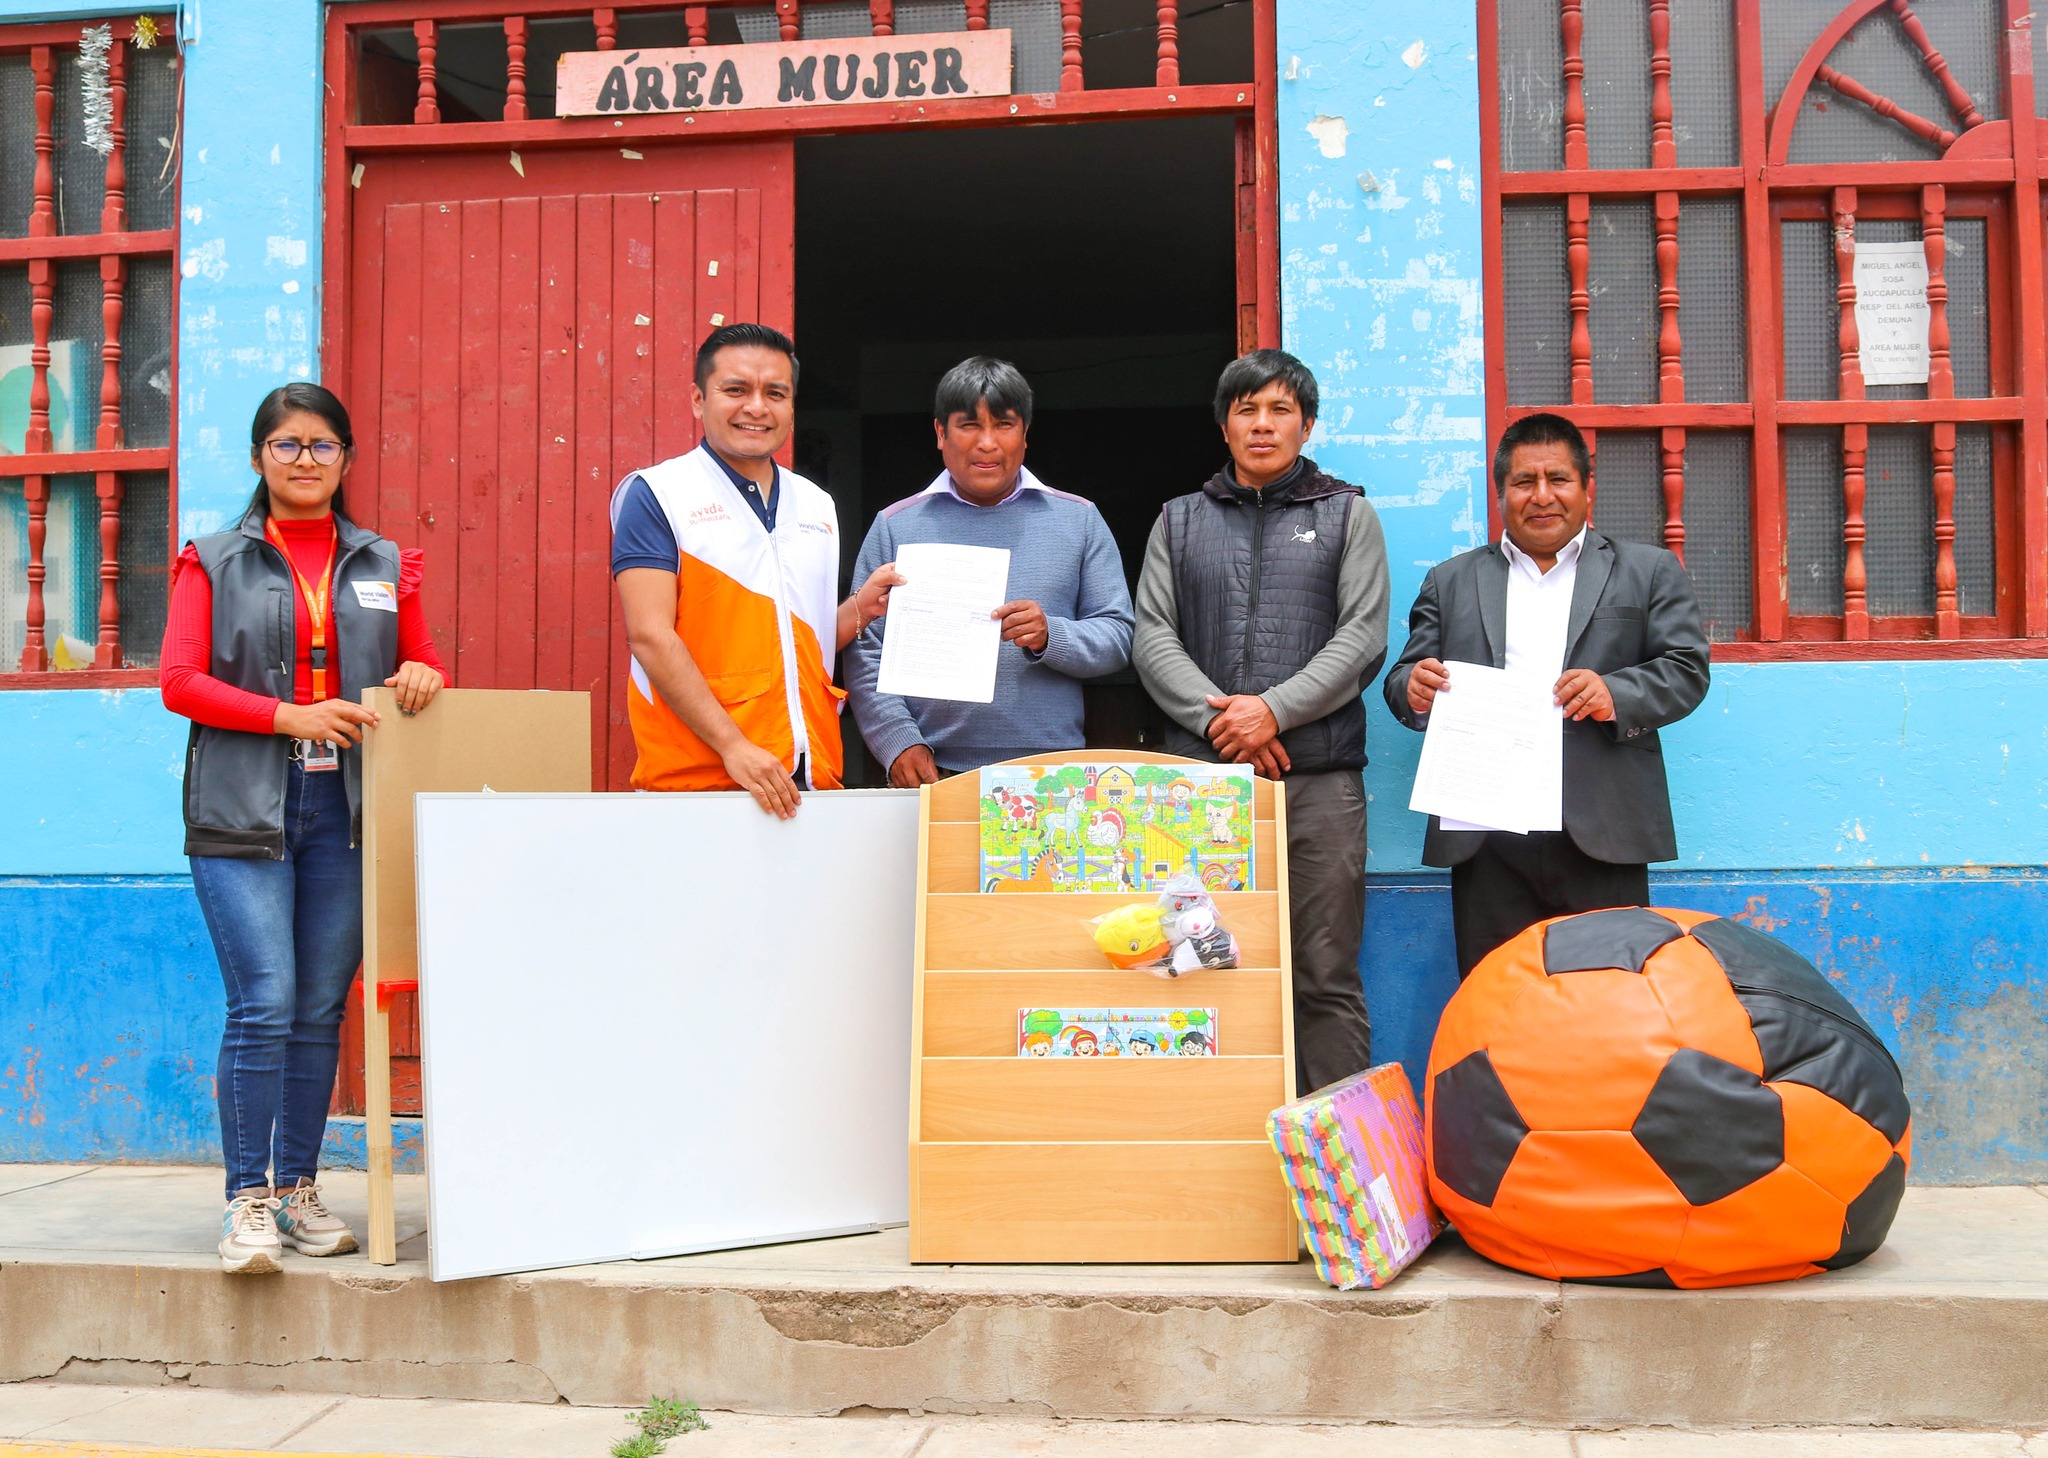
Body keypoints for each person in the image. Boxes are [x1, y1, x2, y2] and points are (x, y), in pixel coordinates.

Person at [160, 382, 448, 1275]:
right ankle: (245, 1201)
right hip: (244, 811)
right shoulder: (210, 559)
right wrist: (290, 716)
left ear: (348, 461)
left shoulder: (381, 561)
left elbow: (422, 657)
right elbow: (179, 682)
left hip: (344, 815)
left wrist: (422, 678)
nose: (305, 461)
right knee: (265, 1004)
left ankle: (295, 1190)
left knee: (319, 1011)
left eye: (323, 446)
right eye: (286, 446)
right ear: (258, 459)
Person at [1133, 349, 1389, 1095]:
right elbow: (1152, 637)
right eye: (1247, 410)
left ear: (1306, 425)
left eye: (1280, 410)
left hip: (1320, 785)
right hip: (1202, 788)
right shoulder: (1179, 521)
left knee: (1325, 974)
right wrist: (1228, 725)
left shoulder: (1348, 514)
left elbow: (1363, 635)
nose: (1263, 424)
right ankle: (1215, 1154)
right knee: (1193, 962)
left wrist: (1273, 711)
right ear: (1224, 426)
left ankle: (1339, 1170)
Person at [1383, 412, 1711, 977]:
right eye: (1523, 482)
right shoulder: (1451, 580)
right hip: (1486, 834)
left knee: (1609, 999)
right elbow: (1403, 676)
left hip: (1601, 826)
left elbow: (1686, 669)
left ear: (1587, 488)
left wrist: (1615, 691)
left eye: (1558, 479)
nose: (1542, 496)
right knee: (1495, 997)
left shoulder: (1649, 570)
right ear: (1501, 493)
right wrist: (1413, 687)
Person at [610, 323, 902, 816]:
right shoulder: (658, 494)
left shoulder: (816, 504)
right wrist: (734, 748)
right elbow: (650, 636)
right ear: (699, 400)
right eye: (736, 390)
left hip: (806, 779)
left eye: (775, 393)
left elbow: (796, 648)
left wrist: (859, 611)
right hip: (699, 785)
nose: (757, 407)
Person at [845, 357, 1133, 781]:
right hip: (933, 766)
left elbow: (1118, 636)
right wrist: (898, 741)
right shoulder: (896, 526)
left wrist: (1051, 634)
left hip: (1051, 770)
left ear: (1025, 434)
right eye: (968, 426)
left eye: (1003, 424)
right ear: (940, 433)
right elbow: (864, 646)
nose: (987, 443)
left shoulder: (1079, 519)